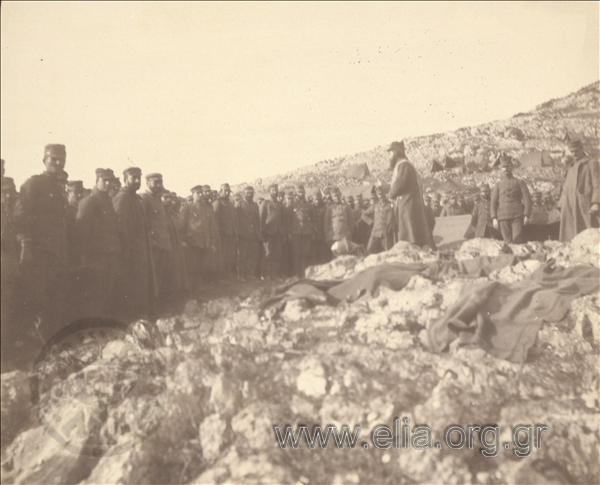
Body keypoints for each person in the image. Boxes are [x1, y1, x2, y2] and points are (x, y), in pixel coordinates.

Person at [14, 144, 69, 339]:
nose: (57, 162)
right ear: (44, 160)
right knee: (37, 298)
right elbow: (20, 217)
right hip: (38, 254)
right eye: (53, 158)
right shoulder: (34, 184)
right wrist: (26, 245)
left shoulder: (59, 187)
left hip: (56, 253)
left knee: (54, 298)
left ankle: (49, 341)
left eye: (61, 158)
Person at [76, 168, 121, 319]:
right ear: (97, 181)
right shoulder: (89, 201)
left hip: (110, 254)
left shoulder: (107, 200)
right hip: (96, 256)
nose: (108, 184)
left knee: (107, 290)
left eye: (110, 181)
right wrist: (85, 257)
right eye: (105, 180)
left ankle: (102, 322)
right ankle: (92, 324)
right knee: (95, 293)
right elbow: (82, 232)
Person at [112, 167, 156, 319]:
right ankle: (133, 315)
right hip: (129, 250)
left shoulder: (136, 199)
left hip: (140, 248)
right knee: (132, 282)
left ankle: (141, 312)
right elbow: (119, 227)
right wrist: (126, 249)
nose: (137, 181)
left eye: (139, 178)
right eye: (133, 178)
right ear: (125, 179)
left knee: (141, 281)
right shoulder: (122, 199)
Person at [387, 140, 435, 248]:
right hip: (407, 204)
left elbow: (399, 185)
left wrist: (390, 194)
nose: (389, 156)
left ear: (396, 153)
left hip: (408, 206)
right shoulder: (403, 165)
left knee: (410, 234)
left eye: (391, 153)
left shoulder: (404, 165)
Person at [558, 138, 599, 241]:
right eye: (572, 151)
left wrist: (596, 203)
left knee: (587, 232)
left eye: (576, 150)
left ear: (582, 149)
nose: (574, 153)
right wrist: (562, 201)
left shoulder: (591, 163)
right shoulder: (571, 166)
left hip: (584, 203)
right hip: (569, 204)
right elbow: (566, 186)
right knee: (569, 233)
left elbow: (597, 184)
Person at [141, 173, 173, 303]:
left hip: (163, 241)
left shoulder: (157, 199)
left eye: (160, 182)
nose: (159, 185)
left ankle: (158, 300)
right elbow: (144, 222)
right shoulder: (144, 198)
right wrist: (151, 239)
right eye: (155, 182)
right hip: (154, 244)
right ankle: (152, 302)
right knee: (153, 275)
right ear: (148, 182)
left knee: (160, 273)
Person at [180, 185, 219, 290]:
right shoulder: (187, 207)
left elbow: (211, 226)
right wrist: (183, 240)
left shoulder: (206, 208)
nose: (201, 195)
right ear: (193, 195)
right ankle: (191, 289)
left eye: (201, 193)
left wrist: (212, 242)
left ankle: (199, 287)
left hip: (204, 242)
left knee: (202, 265)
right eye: (198, 193)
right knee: (193, 266)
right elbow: (182, 226)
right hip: (192, 242)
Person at [490, 157, 531, 243]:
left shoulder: (520, 182)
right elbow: (493, 202)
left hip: (517, 216)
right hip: (503, 217)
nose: (506, 169)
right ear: (500, 169)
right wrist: (494, 218)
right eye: (503, 167)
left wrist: (526, 215)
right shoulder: (498, 185)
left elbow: (527, 199)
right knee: (507, 242)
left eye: (508, 166)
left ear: (511, 168)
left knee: (517, 240)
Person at [260, 183, 285, 278]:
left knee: (277, 254)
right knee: (268, 254)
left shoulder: (279, 204)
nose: (275, 191)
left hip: (278, 233)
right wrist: (263, 232)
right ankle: (265, 275)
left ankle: (274, 274)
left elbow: (282, 219)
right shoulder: (266, 203)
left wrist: (282, 231)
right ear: (269, 191)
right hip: (268, 232)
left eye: (276, 190)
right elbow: (262, 218)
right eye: (273, 190)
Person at [213, 183, 238, 278]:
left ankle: (228, 275)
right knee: (222, 255)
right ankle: (221, 276)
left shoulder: (230, 204)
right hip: (222, 235)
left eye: (228, 191)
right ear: (221, 191)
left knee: (230, 255)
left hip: (230, 234)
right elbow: (215, 220)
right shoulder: (217, 203)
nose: (227, 193)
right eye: (225, 191)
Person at [288, 184, 314, 277]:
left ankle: (304, 273)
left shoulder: (308, 205)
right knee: (296, 253)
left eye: (302, 191)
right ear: (296, 193)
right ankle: (297, 274)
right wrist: (290, 232)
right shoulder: (292, 205)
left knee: (305, 253)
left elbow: (312, 218)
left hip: (306, 232)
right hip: (296, 233)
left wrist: (311, 229)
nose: (301, 193)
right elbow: (289, 219)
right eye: (299, 192)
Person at [237, 186, 261, 280]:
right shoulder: (240, 204)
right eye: (248, 193)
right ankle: (241, 275)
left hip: (253, 234)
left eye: (251, 193)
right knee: (243, 255)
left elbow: (257, 220)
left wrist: (257, 232)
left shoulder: (255, 205)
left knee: (252, 255)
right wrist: (239, 233)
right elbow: (236, 220)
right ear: (244, 194)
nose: (250, 195)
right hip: (243, 234)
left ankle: (250, 274)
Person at [367, 185, 395, 254]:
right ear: (377, 195)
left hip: (385, 233)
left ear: (384, 194)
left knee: (387, 252)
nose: (381, 196)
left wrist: (388, 229)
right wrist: (370, 222)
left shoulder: (390, 205)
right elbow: (364, 214)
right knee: (369, 250)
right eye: (379, 194)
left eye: (382, 194)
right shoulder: (375, 205)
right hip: (375, 232)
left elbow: (391, 219)